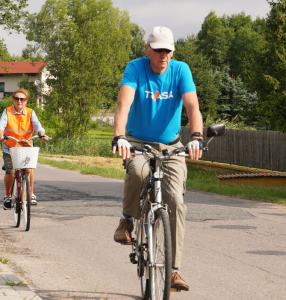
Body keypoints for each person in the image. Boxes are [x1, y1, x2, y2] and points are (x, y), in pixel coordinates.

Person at [112, 26, 204, 291]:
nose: (163, 55)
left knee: (175, 200)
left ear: (172, 51)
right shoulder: (135, 68)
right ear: (147, 49)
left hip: (172, 146)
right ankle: (127, 220)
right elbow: (123, 105)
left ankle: (173, 270)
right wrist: (119, 137)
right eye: (158, 50)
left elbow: (192, 106)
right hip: (138, 143)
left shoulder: (180, 70)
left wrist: (196, 136)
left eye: (168, 50)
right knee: (138, 173)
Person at [0, 88, 49, 210]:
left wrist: (41, 134)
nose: (19, 101)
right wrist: (0, 135)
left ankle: (31, 194)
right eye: (16, 98)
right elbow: (1, 126)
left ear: (26, 101)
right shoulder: (7, 111)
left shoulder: (30, 112)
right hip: (10, 147)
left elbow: (37, 125)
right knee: (10, 171)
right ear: (13, 99)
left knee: (29, 168)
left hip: (26, 146)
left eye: (22, 99)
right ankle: (8, 196)